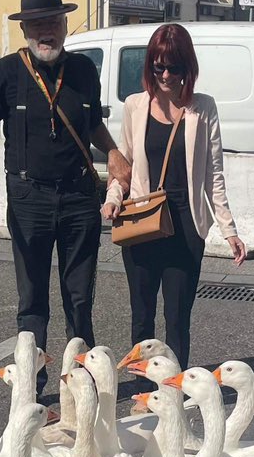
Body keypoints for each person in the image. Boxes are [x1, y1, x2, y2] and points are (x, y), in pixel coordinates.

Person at [0, 0, 131, 396]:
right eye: (38, 24)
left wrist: (112, 152)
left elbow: (91, 123)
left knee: (79, 298)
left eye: (53, 22)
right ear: (26, 30)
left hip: (79, 198)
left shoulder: (82, 70)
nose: (47, 32)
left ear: (64, 25)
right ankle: (32, 385)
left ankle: (83, 383)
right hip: (28, 199)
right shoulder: (6, 72)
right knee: (32, 301)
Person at [102, 23, 246, 372]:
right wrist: (112, 196)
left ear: (188, 69)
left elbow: (214, 174)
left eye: (174, 67)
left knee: (178, 315)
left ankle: (176, 385)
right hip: (141, 217)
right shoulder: (135, 106)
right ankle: (142, 386)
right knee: (142, 313)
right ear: (150, 66)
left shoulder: (203, 108)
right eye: (158, 66)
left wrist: (229, 230)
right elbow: (124, 164)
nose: (166, 75)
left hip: (185, 221)